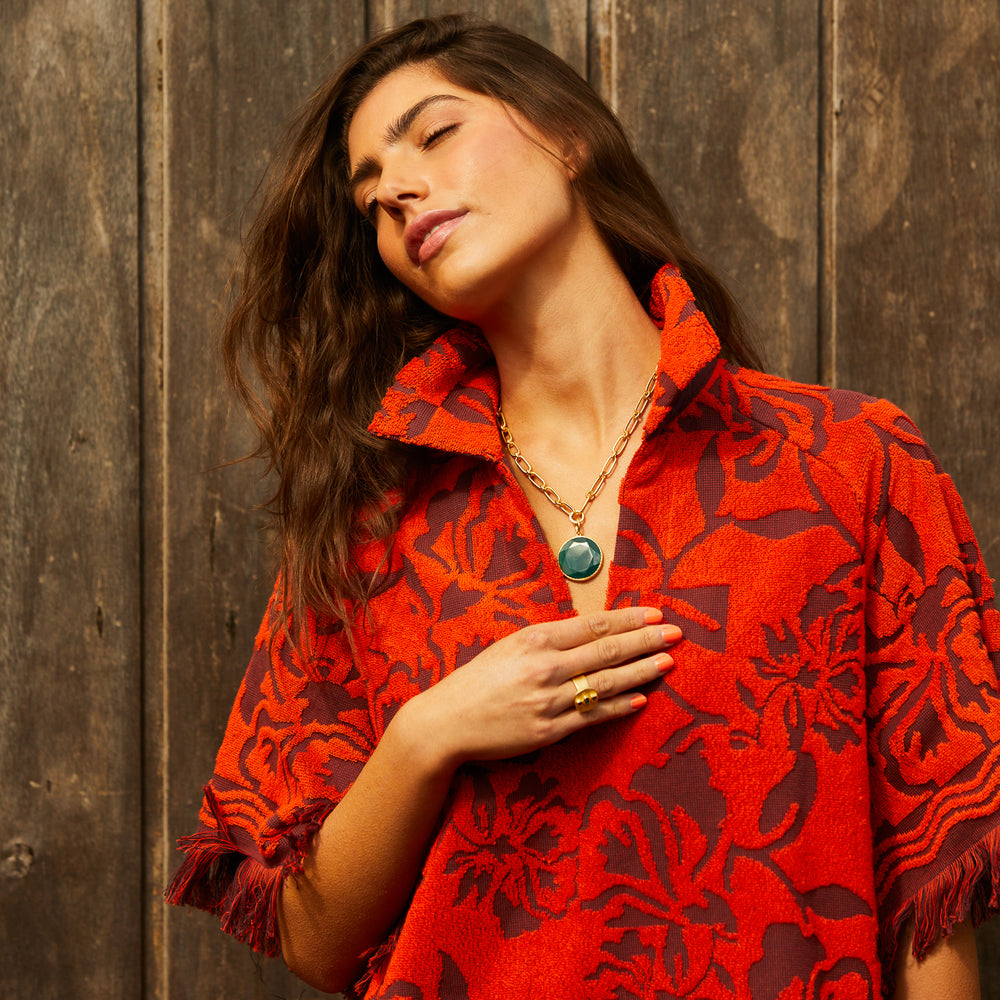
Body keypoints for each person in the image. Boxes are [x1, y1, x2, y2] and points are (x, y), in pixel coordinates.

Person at [167, 14, 1000, 999]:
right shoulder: (370, 537)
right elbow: (312, 942)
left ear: (568, 135)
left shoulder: (846, 462)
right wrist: (428, 735)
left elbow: (932, 881)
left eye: (434, 134)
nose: (395, 190)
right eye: (368, 193)